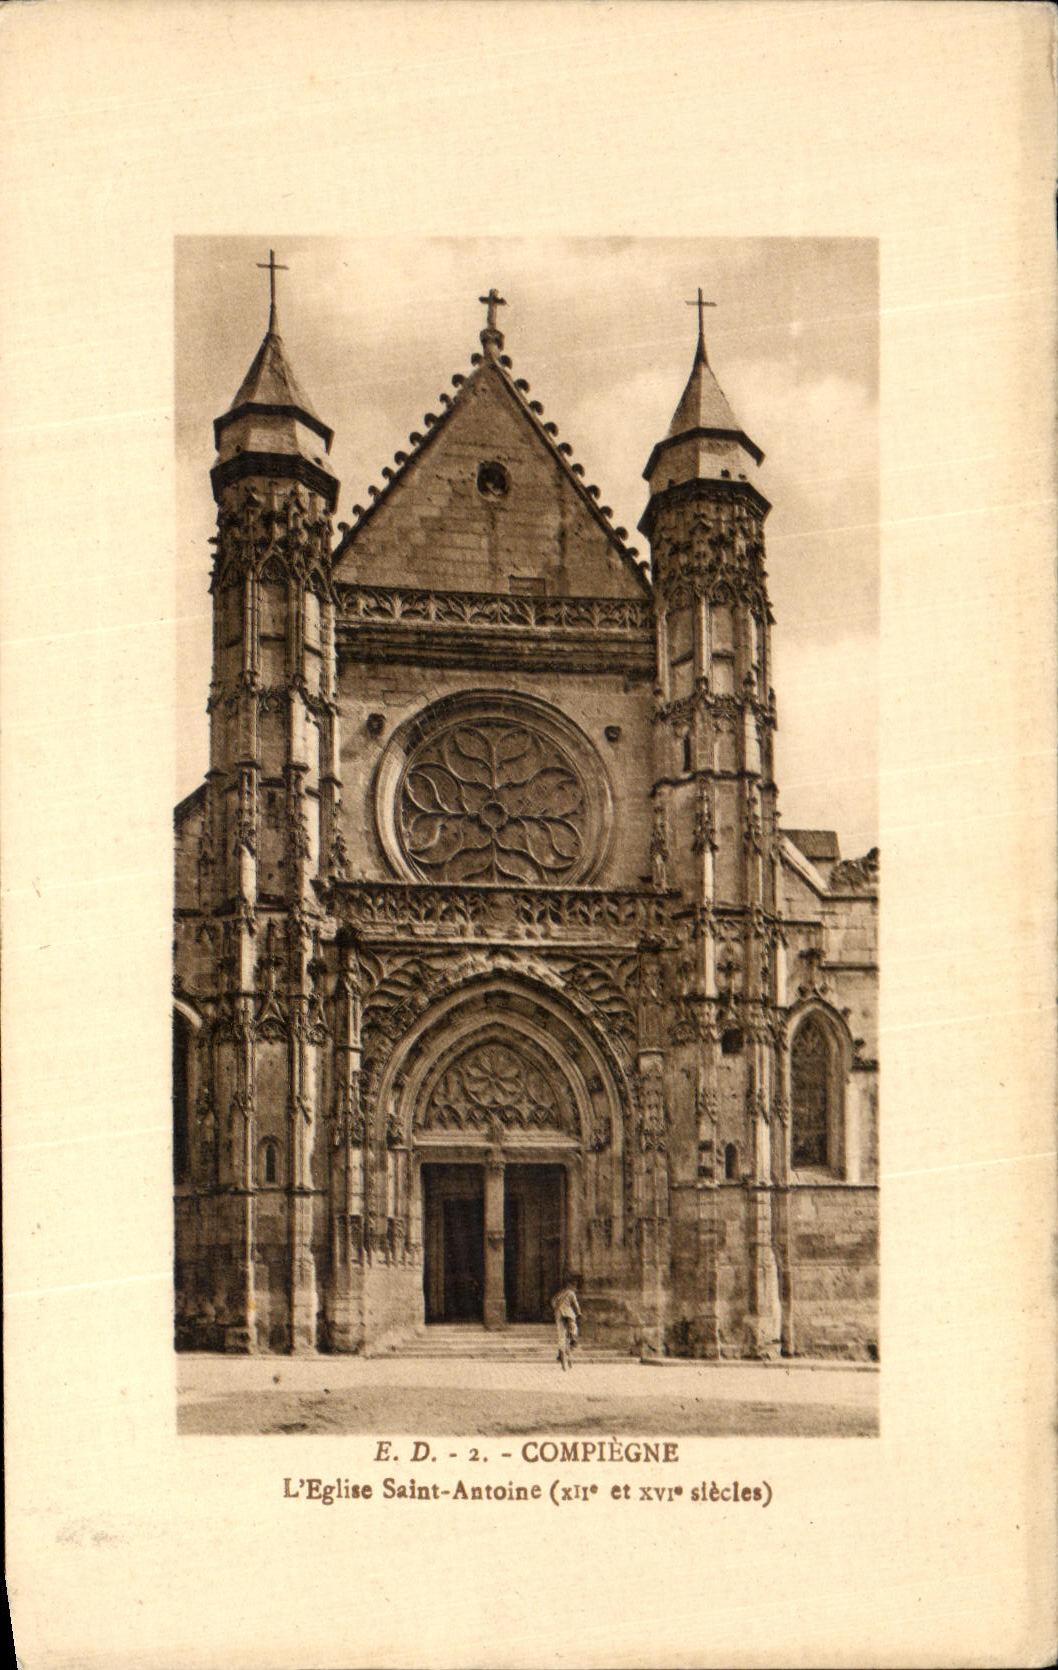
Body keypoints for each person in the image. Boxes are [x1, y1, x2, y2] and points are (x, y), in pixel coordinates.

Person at [550, 1277, 581, 1372]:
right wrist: (579, 1313)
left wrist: (556, 1308)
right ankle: (573, 1338)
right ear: (572, 1286)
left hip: (558, 1314)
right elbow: (576, 1304)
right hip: (567, 1313)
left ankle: (561, 1352)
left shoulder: (560, 1293)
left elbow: (553, 1301)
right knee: (573, 1327)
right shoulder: (571, 1293)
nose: (575, 1288)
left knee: (561, 1335)